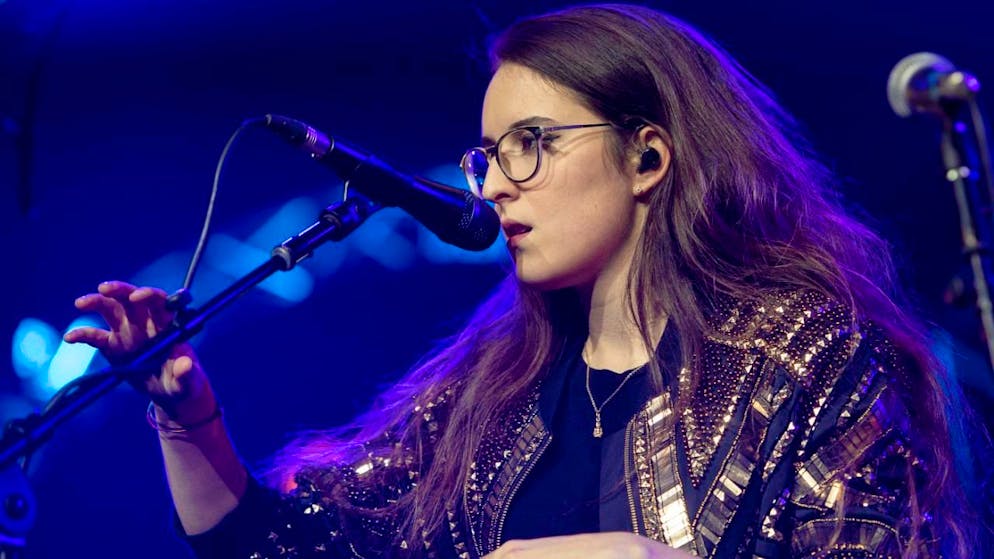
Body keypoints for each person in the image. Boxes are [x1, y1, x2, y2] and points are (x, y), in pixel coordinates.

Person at [64, 4, 982, 558]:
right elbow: (284, 547)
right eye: (489, 155)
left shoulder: (809, 351)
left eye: (532, 145)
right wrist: (187, 419)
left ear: (647, 155)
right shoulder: (491, 388)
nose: (496, 182)